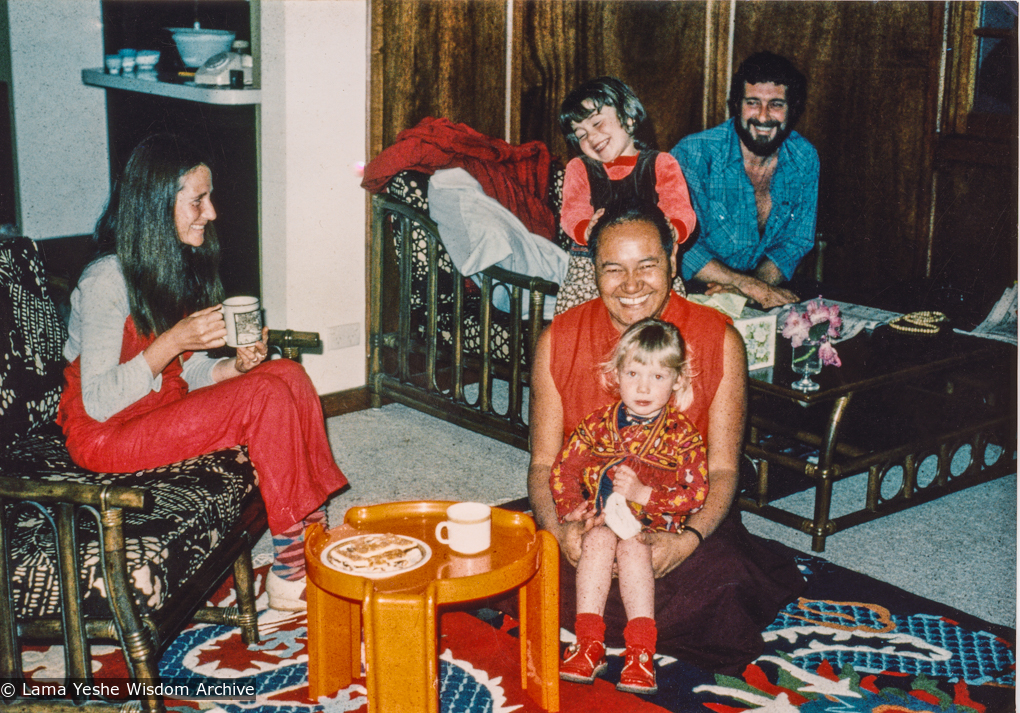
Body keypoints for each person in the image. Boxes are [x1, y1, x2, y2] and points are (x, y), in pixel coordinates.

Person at [57, 134, 348, 612]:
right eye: (198, 200)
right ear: (156, 205)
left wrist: (237, 366)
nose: (210, 213)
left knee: (286, 376)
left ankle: (309, 538)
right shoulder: (105, 281)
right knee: (263, 399)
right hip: (105, 432)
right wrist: (175, 339)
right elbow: (99, 401)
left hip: (156, 410)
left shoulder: (170, 264)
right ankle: (292, 570)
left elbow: (187, 371)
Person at [527, 201, 805, 674]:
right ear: (593, 270)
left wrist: (687, 542)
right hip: (586, 508)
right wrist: (560, 531)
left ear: (673, 260)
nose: (631, 285)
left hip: (676, 513)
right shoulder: (559, 337)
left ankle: (622, 630)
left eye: (647, 266)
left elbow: (721, 471)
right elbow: (542, 463)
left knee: (721, 593)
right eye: (613, 269)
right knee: (517, 558)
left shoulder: (720, 339)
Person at [550, 318, 709, 694]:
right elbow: (564, 467)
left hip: (652, 526)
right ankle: (588, 641)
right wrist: (572, 507)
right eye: (633, 373)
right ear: (615, 375)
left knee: (635, 552)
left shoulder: (682, 437)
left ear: (677, 381)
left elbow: (697, 492)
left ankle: (640, 650)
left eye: (657, 377)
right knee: (597, 543)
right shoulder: (596, 425)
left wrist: (645, 495)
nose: (642, 387)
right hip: (603, 520)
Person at [670, 51, 819, 309]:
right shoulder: (693, 154)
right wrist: (746, 286)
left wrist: (752, 291)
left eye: (776, 104)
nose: (762, 116)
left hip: (766, 291)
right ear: (736, 105)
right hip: (697, 292)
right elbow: (680, 245)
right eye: (752, 102)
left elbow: (796, 241)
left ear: (791, 109)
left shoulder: (804, 157)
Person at [558, 76, 697, 249]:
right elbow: (572, 212)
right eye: (582, 135)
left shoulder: (661, 164)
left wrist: (673, 229)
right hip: (594, 258)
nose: (592, 137)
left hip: (649, 252)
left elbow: (679, 208)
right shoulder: (579, 168)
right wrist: (585, 229)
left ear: (628, 118)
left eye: (597, 123)